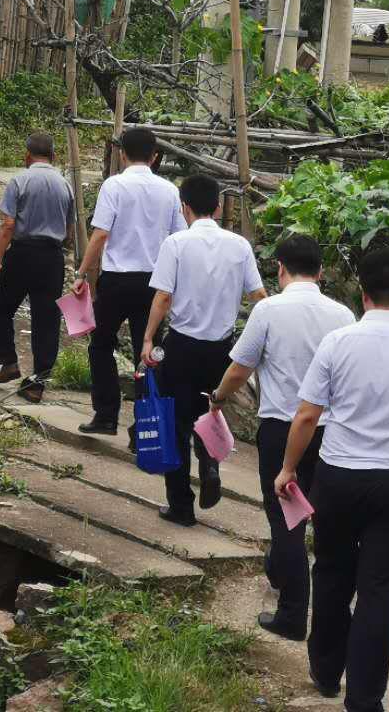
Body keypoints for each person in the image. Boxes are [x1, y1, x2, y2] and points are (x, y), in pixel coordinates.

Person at [275, 247, 389, 711]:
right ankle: (364, 699)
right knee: (379, 591)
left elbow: (306, 416)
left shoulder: (338, 344)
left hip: (338, 479)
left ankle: (324, 670)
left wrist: (288, 468)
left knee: (333, 573)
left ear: (362, 295)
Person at [209, 234, 354, 641]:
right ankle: (320, 605)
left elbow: (240, 368)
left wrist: (218, 399)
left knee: (285, 521)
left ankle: (292, 614)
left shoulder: (269, 310)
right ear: (321, 272)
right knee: (321, 521)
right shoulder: (343, 315)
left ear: (280, 268)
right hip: (330, 434)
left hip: (280, 429)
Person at [141, 174, 265, 527]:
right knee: (209, 410)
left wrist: (149, 339)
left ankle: (181, 505)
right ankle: (209, 464)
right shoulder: (239, 246)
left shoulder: (177, 244)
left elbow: (163, 297)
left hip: (181, 346)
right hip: (220, 351)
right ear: (217, 207)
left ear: (185, 207)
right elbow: (259, 296)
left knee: (176, 424)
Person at [73, 127, 185, 437]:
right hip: (153, 283)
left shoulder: (115, 186)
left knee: (100, 345)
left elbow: (101, 234)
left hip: (117, 281)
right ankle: (146, 427)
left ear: (122, 154)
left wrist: (82, 273)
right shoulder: (169, 191)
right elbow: (179, 239)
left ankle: (106, 415)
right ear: (155, 156)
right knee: (149, 352)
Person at [0, 132, 75, 402]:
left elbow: (8, 225)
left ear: (27, 156)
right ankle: (37, 383)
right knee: (46, 320)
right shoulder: (64, 185)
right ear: (54, 156)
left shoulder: (19, 180)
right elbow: (70, 231)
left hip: (23, 254)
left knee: (0, 307)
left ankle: (9, 360)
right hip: (51, 258)